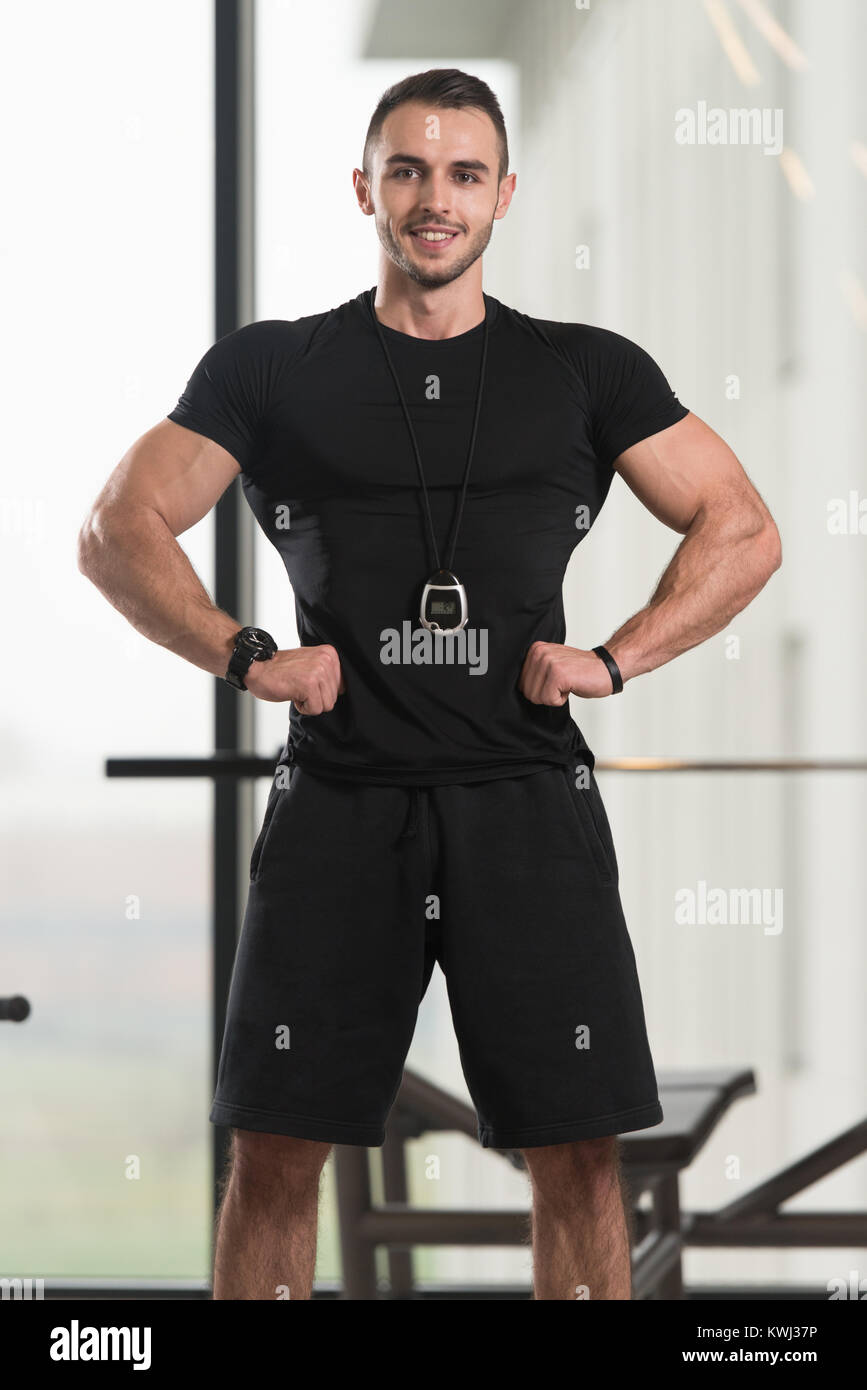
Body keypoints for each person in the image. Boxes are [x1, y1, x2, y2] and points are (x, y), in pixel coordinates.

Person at [77, 67, 782, 1300]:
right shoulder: (275, 369)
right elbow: (115, 525)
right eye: (407, 170)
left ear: (504, 195)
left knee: (575, 1152)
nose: (434, 198)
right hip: (340, 809)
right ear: (366, 188)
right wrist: (249, 656)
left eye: (463, 174)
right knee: (278, 1148)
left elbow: (743, 526)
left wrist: (615, 657)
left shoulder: (584, 370)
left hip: (527, 804)